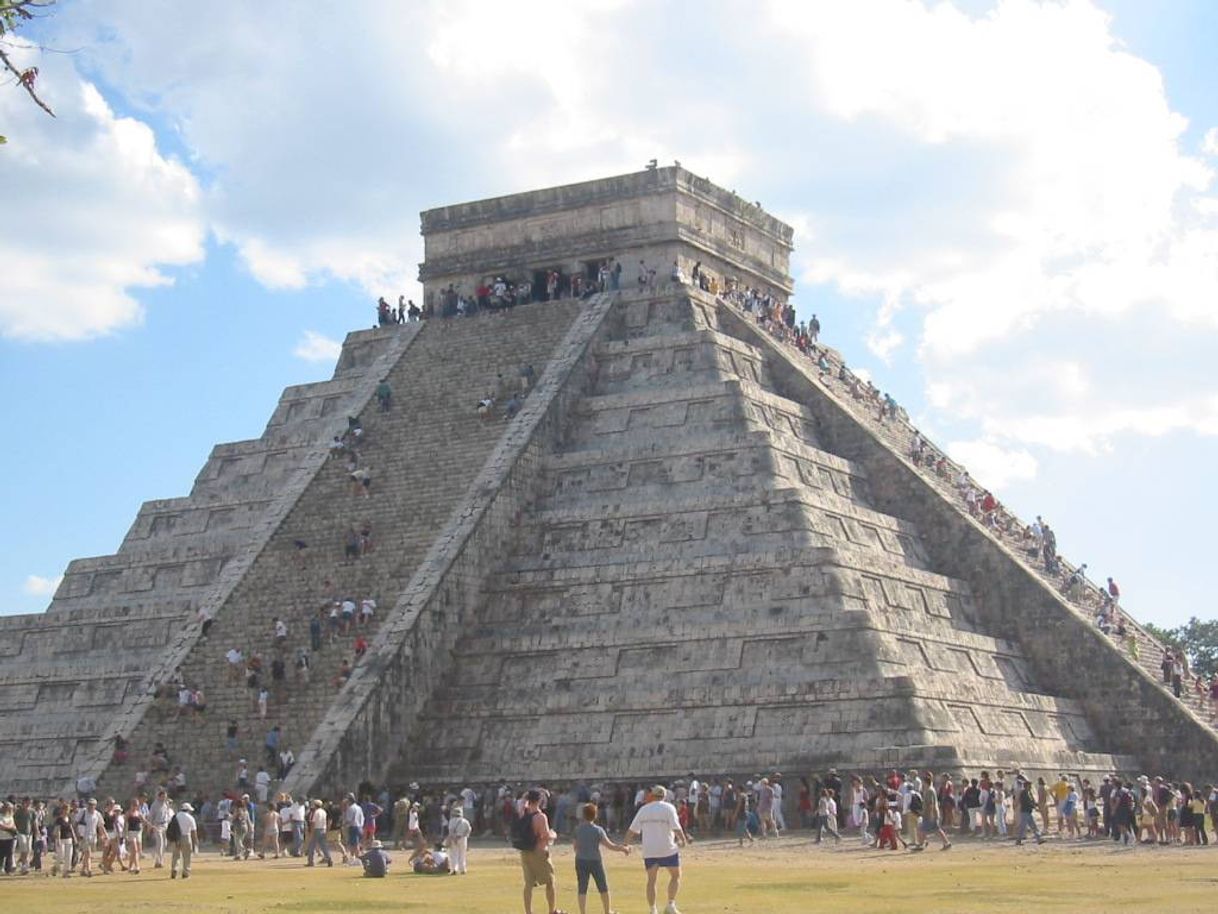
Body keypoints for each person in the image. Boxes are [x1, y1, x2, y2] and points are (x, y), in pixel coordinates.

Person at [627, 786, 689, 914]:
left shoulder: (644, 809)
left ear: (652, 795)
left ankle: (653, 909)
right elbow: (676, 827)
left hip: (650, 849)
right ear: (664, 796)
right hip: (667, 848)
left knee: (651, 880)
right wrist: (683, 840)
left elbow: (632, 830)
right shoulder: (669, 808)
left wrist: (626, 844)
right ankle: (671, 904)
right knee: (676, 875)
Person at [574, 802, 630, 914]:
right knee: (603, 886)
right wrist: (623, 849)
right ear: (595, 815)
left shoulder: (578, 829)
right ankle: (607, 911)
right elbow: (610, 845)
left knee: (582, 888)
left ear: (583, 815)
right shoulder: (598, 830)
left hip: (580, 860)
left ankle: (582, 912)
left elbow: (575, 847)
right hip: (595, 861)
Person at [512, 788, 558, 914]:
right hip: (539, 851)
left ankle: (528, 911)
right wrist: (554, 834)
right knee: (550, 881)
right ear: (539, 801)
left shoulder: (523, 813)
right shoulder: (540, 817)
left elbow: (521, 802)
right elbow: (545, 835)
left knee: (528, 884)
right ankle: (552, 910)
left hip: (525, 851)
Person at [169, 802, 198, 879]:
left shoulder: (176, 816)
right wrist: (195, 842)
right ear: (188, 810)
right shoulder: (190, 818)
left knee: (176, 855)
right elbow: (193, 831)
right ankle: (186, 872)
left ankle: (174, 869)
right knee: (187, 856)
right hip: (186, 837)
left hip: (176, 837)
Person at [305, 799, 333, 867]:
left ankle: (311, 861)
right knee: (324, 846)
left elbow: (313, 823)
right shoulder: (323, 811)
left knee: (312, 845)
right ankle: (329, 858)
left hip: (316, 829)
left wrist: (311, 832)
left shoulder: (315, 812)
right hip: (323, 829)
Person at [447, 806, 471, 874]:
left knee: (454, 854)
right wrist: (465, 836)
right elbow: (469, 830)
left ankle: (454, 869)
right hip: (463, 838)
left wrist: (453, 839)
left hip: (454, 838)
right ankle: (463, 869)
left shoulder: (452, 821)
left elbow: (451, 831)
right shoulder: (465, 821)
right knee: (462, 854)